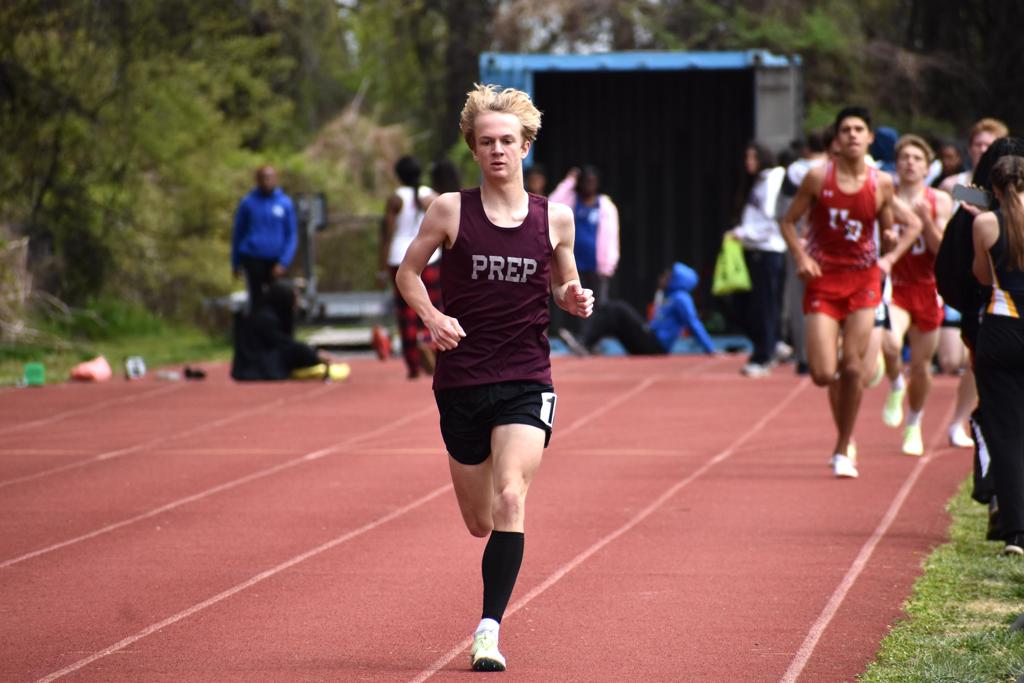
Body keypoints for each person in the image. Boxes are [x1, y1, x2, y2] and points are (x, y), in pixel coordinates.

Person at [395, 83, 593, 671]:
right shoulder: (449, 210)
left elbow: (562, 284)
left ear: (526, 146)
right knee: (480, 521)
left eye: (508, 140)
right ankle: (489, 603)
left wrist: (573, 297)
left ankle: (488, 631)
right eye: (487, 142)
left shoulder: (554, 218)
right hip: (461, 380)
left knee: (512, 496)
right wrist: (432, 316)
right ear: (473, 149)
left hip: (527, 377)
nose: (498, 151)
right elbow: (407, 274)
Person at [780, 106, 922, 479]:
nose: (853, 135)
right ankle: (847, 371)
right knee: (824, 374)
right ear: (837, 141)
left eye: (860, 129)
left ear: (870, 138)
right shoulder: (816, 178)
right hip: (824, 280)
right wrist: (800, 256)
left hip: (863, 280)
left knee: (853, 368)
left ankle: (844, 447)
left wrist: (889, 249)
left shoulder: (882, 183)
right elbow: (788, 222)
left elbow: (890, 225)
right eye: (846, 130)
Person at [935, 137, 1024, 542]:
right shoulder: (971, 202)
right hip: (990, 319)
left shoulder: (976, 211)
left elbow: (961, 274)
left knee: (998, 421)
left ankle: (1004, 508)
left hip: (992, 323)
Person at [879, 135, 953, 455]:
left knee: (922, 367)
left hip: (928, 287)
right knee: (890, 343)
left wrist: (924, 221)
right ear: (896, 165)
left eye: (917, 158)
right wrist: (887, 239)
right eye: (904, 157)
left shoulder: (940, 199)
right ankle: (896, 383)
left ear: (926, 166)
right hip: (895, 286)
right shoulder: (886, 198)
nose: (910, 162)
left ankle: (914, 423)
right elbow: (876, 248)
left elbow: (942, 250)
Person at [971, 154, 1024, 556]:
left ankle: (1015, 532)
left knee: (1005, 434)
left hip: (1001, 327)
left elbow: (983, 276)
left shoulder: (986, 223)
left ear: (993, 189)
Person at [563, 262, 716, 356]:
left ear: (677, 280)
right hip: (650, 338)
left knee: (618, 308)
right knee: (612, 313)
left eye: (667, 276)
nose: (662, 278)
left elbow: (693, 322)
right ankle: (587, 344)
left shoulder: (681, 298)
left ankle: (585, 343)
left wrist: (710, 349)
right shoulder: (665, 296)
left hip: (655, 346)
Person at [727, 142, 787, 377]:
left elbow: (771, 220)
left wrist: (743, 233)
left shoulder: (772, 180)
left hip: (769, 250)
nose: (748, 163)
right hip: (754, 250)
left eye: (752, 157)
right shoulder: (758, 182)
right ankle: (772, 344)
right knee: (749, 305)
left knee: (765, 306)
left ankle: (765, 354)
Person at [378, 156, 441, 379]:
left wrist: (380, 267)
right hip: (430, 257)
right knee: (433, 308)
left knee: (407, 314)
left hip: (400, 257)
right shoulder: (430, 196)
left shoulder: (396, 199)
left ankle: (414, 365)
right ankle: (433, 352)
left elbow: (387, 234)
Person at [778, 129, 831, 375]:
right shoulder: (808, 174)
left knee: (802, 300)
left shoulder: (796, 171)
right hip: (815, 244)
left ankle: (806, 356)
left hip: (824, 246)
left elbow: (781, 211)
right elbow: (786, 216)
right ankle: (821, 354)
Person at [231, 281, 348, 381]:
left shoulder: (271, 314)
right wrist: (314, 355)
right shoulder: (266, 319)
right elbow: (284, 344)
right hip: (256, 368)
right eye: (295, 298)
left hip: (255, 364)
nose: (297, 303)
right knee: (294, 351)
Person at [549, 165, 620, 305]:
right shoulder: (571, 200)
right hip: (572, 263)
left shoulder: (606, 206)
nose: (589, 184)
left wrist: (609, 264)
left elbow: (613, 237)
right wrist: (569, 181)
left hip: (598, 266)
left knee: (598, 306)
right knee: (574, 302)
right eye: (586, 181)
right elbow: (551, 203)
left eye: (593, 181)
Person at [231, 165, 298, 309]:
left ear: (276, 179)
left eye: (270, 177)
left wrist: (283, 262)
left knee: (280, 298)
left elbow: (291, 235)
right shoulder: (248, 203)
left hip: (276, 261)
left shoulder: (285, 203)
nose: (267, 181)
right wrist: (235, 263)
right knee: (256, 301)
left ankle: (279, 330)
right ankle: (257, 330)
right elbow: (238, 234)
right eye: (263, 178)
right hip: (253, 259)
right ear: (257, 180)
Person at [940, 118, 1010, 195]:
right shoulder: (951, 185)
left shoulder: (1011, 189)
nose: (983, 150)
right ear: (969, 149)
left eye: (989, 145)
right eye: (978, 145)